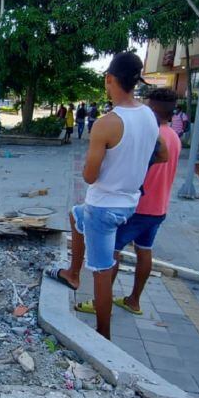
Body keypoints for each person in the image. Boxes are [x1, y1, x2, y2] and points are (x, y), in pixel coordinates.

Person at [45, 52, 166, 340]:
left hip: (103, 207)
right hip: (128, 204)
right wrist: (132, 165)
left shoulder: (106, 123)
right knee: (75, 215)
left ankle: (103, 336)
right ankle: (72, 274)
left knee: (101, 271)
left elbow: (89, 176)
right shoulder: (149, 115)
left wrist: (107, 162)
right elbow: (163, 153)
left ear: (109, 79)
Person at [107, 87, 183, 316]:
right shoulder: (174, 137)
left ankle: (101, 300)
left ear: (153, 110)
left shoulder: (151, 135)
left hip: (138, 207)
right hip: (159, 207)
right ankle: (134, 300)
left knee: (111, 251)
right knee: (144, 251)